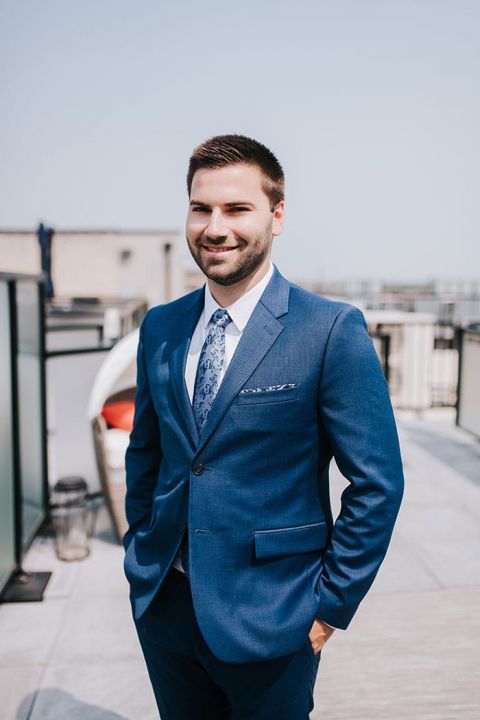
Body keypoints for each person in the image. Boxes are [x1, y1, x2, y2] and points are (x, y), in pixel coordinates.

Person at [123, 134, 404, 719]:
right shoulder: (162, 327)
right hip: (166, 609)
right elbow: (147, 453)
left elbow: (377, 484)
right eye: (201, 208)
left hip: (275, 617)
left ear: (276, 216)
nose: (214, 227)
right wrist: (140, 552)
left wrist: (330, 607)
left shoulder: (328, 331)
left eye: (236, 208)